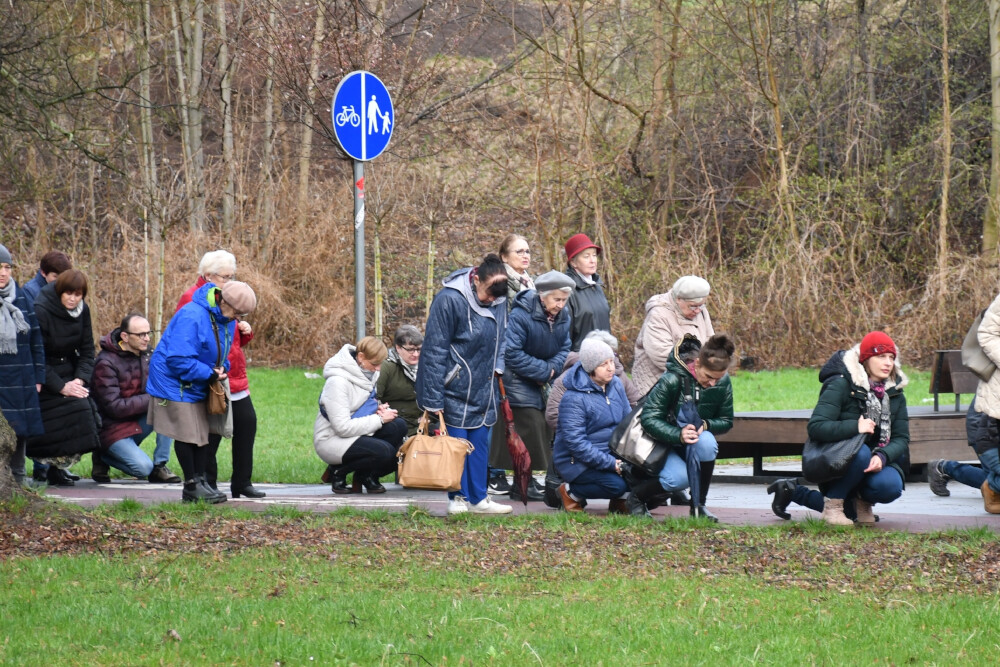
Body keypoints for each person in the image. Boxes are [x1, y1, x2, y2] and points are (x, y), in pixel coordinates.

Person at [767, 331, 909, 525]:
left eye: (891, 357)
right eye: (881, 356)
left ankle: (861, 503)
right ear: (866, 359)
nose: (888, 363)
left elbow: (901, 438)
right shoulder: (842, 384)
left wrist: (883, 456)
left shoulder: (894, 394)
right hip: (838, 461)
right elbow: (816, 427)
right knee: (862, 453)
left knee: (890, 487)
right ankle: (831, 506)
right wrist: (856, 427)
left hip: (871, 462)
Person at [416, 253, 513, 515]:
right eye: (488, 294)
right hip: (455, 387)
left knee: (480, 444)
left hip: (485, 386)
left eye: (497, 297)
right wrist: (434, 397)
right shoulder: (448, 299)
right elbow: (435, 351)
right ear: (476, 279)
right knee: (456, 447)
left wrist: (498, 369)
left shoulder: (499, 299)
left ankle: (479, 498)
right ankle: (456, 498)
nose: (492, 300)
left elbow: (502, 337)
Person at [148, 280, 257, 503]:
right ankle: (191, 486)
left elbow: (223, 353)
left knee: (202, 435)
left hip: (198, 378)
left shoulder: (225, 318)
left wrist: (222, 368)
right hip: (173, 381)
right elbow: (178, 359)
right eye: (236, 313)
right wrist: (209, 373)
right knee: (188, 434)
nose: (238, 319)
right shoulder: (192, 315)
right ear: (223, 301)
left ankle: (201, 482)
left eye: (242, 315)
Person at [176, 251, 264, 498]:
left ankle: (242, 482)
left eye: (231, 275)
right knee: (212, 432)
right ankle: (208, 483)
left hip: (234, 372)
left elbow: (229, 341)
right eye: (225, 276)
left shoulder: (229, 298)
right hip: (211, 376)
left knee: (247, 424)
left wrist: (244, 332)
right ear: (208, 276)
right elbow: (196, 340)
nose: (229, 280)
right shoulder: (192, 300)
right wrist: (208, 372)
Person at [489, 270, 574, 501]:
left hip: (545, 381)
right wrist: (545, 370)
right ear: (542, 296)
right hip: (517, 381)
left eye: (564, 300)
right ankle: (522, 482)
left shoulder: (563, 315)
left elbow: (565, 347)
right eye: (557, 299)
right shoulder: (521, 314)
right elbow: (512, 353)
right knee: (529, 428)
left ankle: (524, 484)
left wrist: (552, 370)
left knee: (546, 426)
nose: (560, 305)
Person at [632, 334, 736, 521]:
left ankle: (698, 506)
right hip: (661, 442)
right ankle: (636, 498)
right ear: (697, 364)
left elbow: (727, 420)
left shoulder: (723, 382)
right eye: (709, 377)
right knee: (679, 479)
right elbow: (649, 419)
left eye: (718, 379)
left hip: (691, 442)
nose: (712, 383)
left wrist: (706, 425)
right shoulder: (672, 379)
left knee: (707, 444)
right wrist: (678, 434)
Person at [26, 269, 100, 484]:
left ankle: (59, 466)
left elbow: (87, 350)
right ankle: (46, 467)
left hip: (70, 370)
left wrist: (80, 379)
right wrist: (61, 387)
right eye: (68, 293)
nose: (72, 299)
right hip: (42, 373)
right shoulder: (41, 310)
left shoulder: (82, 310)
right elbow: (37, 355)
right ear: (60, 291)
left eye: (78, 295)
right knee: (62, 414)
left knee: (86, 412)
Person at [91, 313, 181, 484]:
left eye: (148, 333)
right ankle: (102, 455)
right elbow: (114, 407)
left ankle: (160, 465)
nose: (147, 338)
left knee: (166, 404)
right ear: (125, 336)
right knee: (142, 469)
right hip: (110, 427)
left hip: (136, 421)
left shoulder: (148, 355)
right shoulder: (105, 363)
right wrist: (152, 398)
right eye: (141, 335)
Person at [315, 336, 408, 494]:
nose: (378, 368)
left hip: (354, 432)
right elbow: (342, 428)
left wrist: (378, 408)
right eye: (374, 364)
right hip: (331, 439)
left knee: (399, 427)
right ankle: (338, 471)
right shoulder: (337, 382)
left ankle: (365, 476)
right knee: (385, 452)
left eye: (381, 364)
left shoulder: (369, 372)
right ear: (360, 357)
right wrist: (379, 419)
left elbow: (361, 405)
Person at [552, 338, 631, 513]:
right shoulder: (574, 398)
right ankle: (570, 492)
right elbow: (576, 444)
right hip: (576, 461)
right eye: (604, 364)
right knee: (617, 486)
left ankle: (620, 502)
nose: (611, 367)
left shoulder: (616, 384)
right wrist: (611, 464)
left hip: (610, 453)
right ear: (590, 368)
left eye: (612, 361)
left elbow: (628, 422)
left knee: (640, 476)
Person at [487, 233, 536, 493]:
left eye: (527, 251)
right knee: (498, 414)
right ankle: (494, 473)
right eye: (519, 251)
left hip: (525, 358)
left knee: (517, 416)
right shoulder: (499, 283)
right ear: (504, 256)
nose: (525, 255)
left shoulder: (532, 284)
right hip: (501, 357)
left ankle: (519, 471)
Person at [21, 250, 73, 482]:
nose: (60, 281)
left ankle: (55, 466)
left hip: (58, 363)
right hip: (41, 363)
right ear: (43, 273)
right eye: (55, 276)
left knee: (59, 417)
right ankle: (41, 466)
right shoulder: (31, 293)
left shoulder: (58, 291)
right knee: (41, 417)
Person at [0, 244, 45, 487]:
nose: (3, 272)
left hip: (22, 376)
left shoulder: (22, 297)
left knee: (20, 429)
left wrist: (38, 376)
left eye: (7, 267)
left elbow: (36, 339)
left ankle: (19, 477)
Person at [632, 275, 715, 397]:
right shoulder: (658, 315)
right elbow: (663, 355)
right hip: (658, 386)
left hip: (691, 382)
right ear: (678, 299)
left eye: (701, 305)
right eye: (693, 306)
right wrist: (701, 370)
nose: (698, 310)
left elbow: (710, 341)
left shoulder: (701, 311)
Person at [927, 398, 1000, 513]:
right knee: (994, 479)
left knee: (993, 477)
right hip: (986, 430)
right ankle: (945, 468)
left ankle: (943, 468)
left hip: (990, 427)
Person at [563, 233, 611, 352]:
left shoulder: (597, 286)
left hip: (603, 358)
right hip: (580, 360)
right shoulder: (567, 290)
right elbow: (564, 335)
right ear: (573, 262)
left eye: (594, 255)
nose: (592, 261)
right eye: (586, 256)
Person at [375, 325, 423, 437]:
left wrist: (430, 418)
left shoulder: (427, 364)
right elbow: (375, 399)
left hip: (424, 423)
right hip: (397, 424)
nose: (416, 354)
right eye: (410, 349)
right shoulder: (386, 366)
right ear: (398, 348)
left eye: (419, 349)